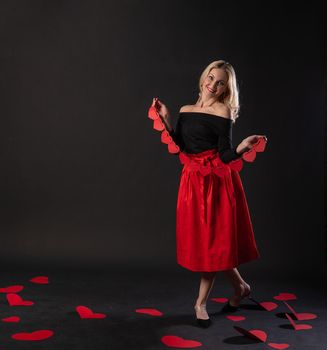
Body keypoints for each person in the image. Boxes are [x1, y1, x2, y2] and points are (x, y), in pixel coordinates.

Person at [152, 60, 267, 328]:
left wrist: (241, 146)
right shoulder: (186, 110)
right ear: (204, 77)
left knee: (212, 244)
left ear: (227, 88)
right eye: (211, 78)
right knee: (210, 244)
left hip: (216, 182)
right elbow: (181, 147)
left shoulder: (223, 111)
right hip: (192, 182)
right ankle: (241, 288)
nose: (213, 85)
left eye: (221, 82)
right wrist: (167, 118)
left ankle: (200, 303)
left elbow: (226, 155)